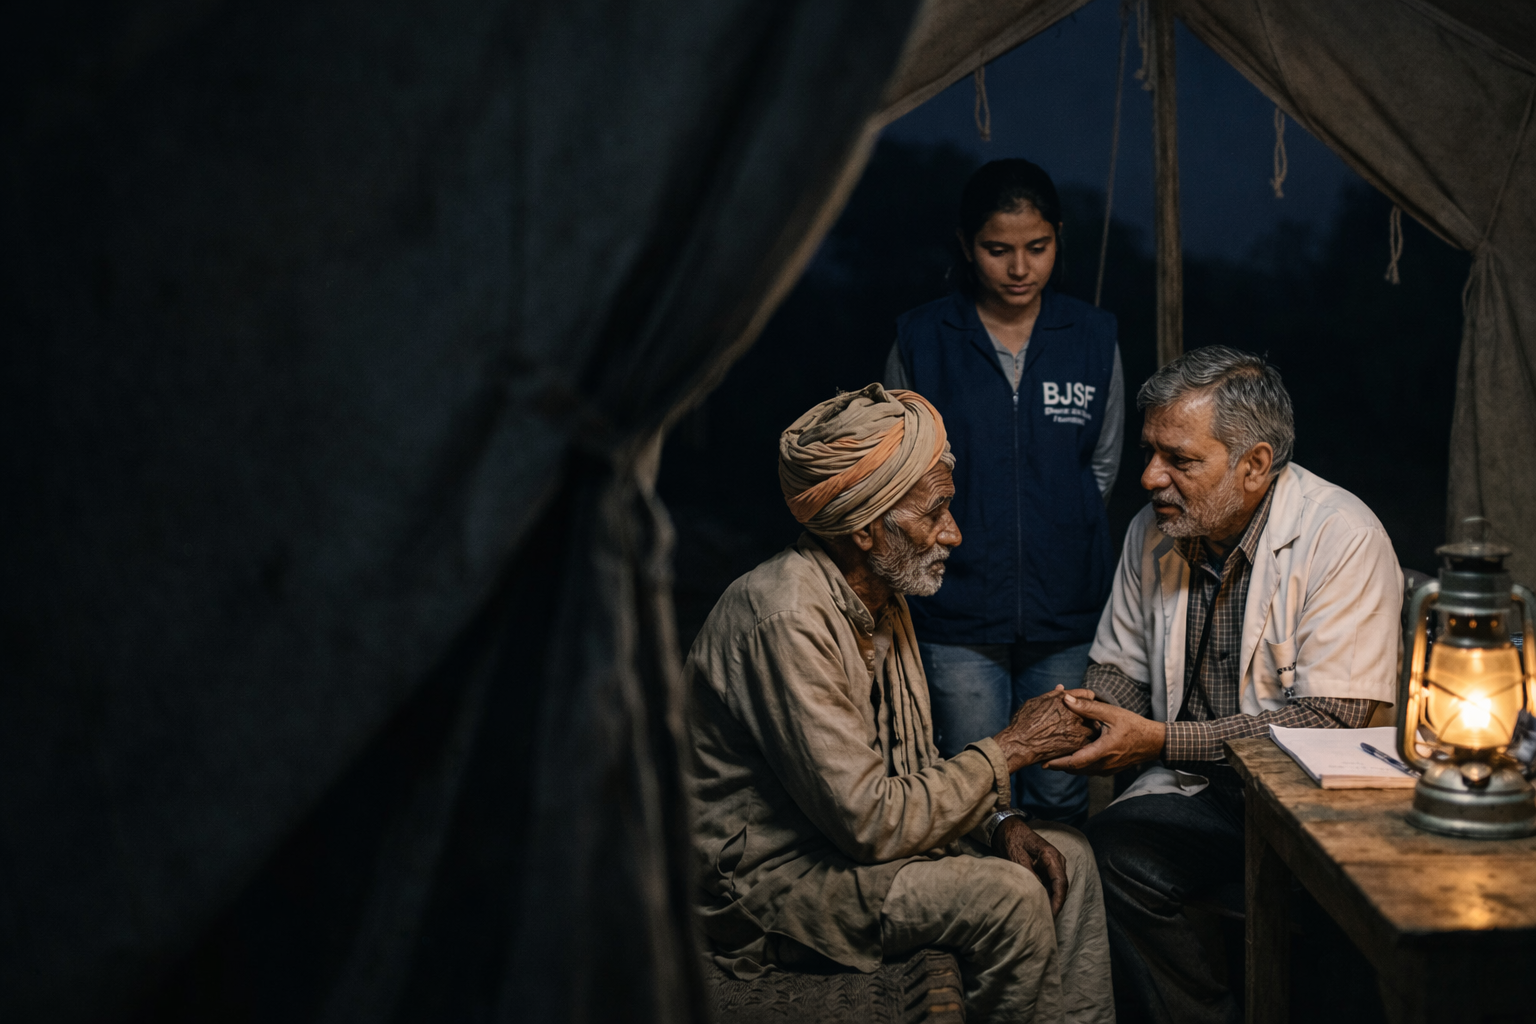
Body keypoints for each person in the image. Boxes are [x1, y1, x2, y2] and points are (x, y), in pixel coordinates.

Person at [683, 384, 1114, 1024]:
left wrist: (999, 824)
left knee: (1069, 858)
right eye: (935, 512)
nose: (955, 534)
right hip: (772, 884)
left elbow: (913, 766)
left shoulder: (884, 596)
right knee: (1009, 899)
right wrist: (1013, 747)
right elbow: (872, 824)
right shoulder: (785, 615)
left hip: (845, 852)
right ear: (864, 529)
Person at [1046, 346, 1401, 1024]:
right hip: (1211, 795)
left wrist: (1159, 739)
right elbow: (1119, 666)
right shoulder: (1153, 532)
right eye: (1151, 452)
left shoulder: (1341, 534)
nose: (1150, 477)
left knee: (1337, 952)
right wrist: (1084, 711)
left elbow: (1332, 721)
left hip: (1316, 805)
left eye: (1180, 460)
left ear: (1255, 465)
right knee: (1109, 855)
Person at [884, 158, 1124, 825]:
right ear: (967, 247)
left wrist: (1058, 531)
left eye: (1037, 248)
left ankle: (1061, 927)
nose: (1020, 269)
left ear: (1057, 240)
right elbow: (899, 476)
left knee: (1060, 788)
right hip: (956, 605)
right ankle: (988, 923)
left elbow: (1101, 467)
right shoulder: (924, 338)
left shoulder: (1092, 337)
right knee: (975, 789)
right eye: (998, 250)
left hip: (1066, 608)